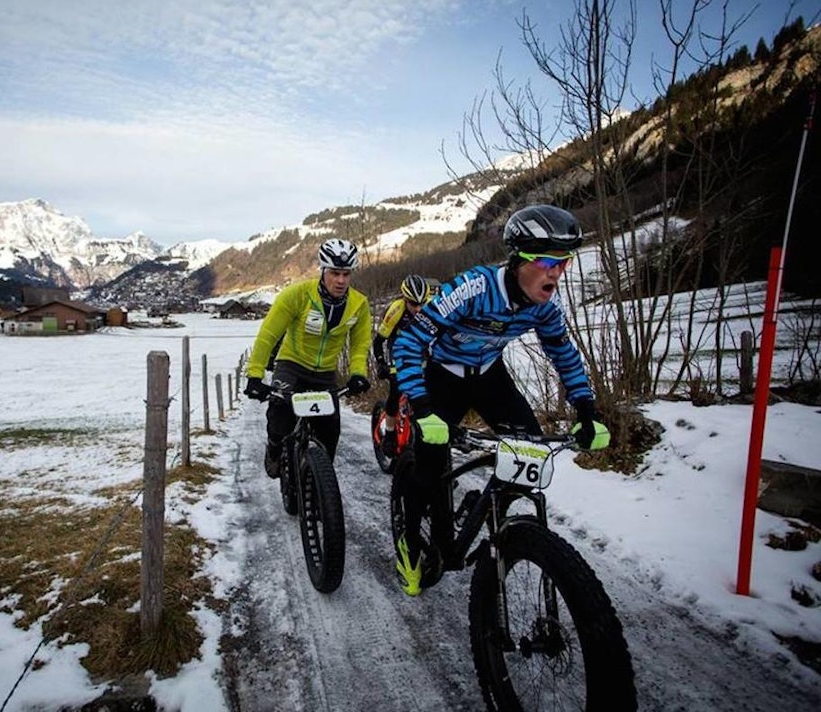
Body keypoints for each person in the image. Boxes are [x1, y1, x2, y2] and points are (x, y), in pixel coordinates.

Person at [390, 204, 610, 596]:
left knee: (531, 451)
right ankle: (409, 541)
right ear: (519, 260)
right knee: (429, 465)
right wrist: (422, 408)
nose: (556, 273)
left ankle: (492, 516)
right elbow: (408, 342)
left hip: (490, 377)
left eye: (564, 262)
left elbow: (564, 354)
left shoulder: (545, 308)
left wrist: (586, 410)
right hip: (443, 377)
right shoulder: (473, 289)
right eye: (548, 262)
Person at [243, 238, 373, 477]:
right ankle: (274, 447)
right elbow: (268, 336)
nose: (341, 280)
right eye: (335, 273)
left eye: (346, 274)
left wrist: (358, 373)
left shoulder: (359, 304)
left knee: (330, 432)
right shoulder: (297, 295)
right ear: (323, 271)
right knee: (280, 417)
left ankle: (319, 481)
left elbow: (359, 345)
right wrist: (255, 375)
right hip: (291, 365)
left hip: (325, 373)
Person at [372, 274, 433, 456]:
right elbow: (378, 341)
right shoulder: (396, 310)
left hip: (420, 347)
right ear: (405, 299)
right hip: (398, 348)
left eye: (422, 303)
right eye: (413, 304)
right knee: (396, 388)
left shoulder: (432, 308)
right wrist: (381, 364)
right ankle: (390, 434)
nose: (418, 309)